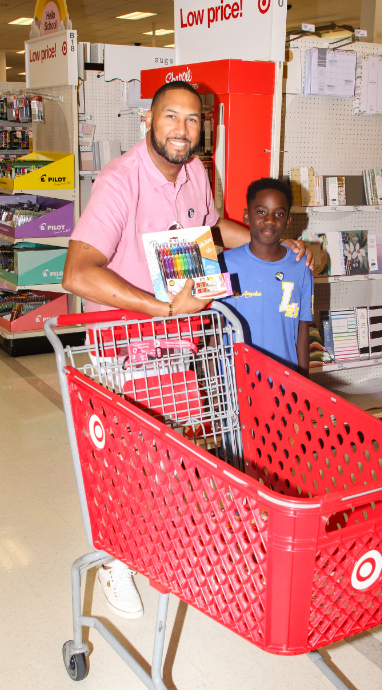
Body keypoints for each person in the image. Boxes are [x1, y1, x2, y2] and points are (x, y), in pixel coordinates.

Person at [63, 81, 314, 620]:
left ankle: (158, 548)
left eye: (193, 120)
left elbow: (212, 230)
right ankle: (115, 560)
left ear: (205, 129)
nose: (181, 129)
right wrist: (164, 310)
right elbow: (78, 272)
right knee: (132, 462)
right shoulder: (119, 181)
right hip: (130, 349)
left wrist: (271, 241)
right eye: (170, 117)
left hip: (182, 347)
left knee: (178, 461)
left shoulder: (197, 172)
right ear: (148, 121)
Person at [219, 178, 313, 376]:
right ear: (247, 215)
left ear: (288, 221)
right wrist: (216, 381)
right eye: (261, 212)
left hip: (285, 380)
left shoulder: (301, 266)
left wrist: (305, 384)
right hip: (236, 381)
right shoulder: (224, 264)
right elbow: (216, 327)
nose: (270, 220)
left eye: (278, 214)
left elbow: (303, 328)